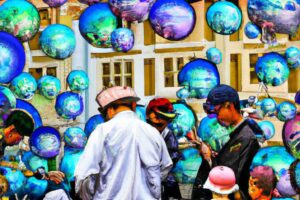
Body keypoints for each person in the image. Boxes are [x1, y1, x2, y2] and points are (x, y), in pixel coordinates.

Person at [75, 86, 172, 200]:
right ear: (134, 105)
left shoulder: (102, 131)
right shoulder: (152, 132)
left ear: (110, 109)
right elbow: (166, 166)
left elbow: (84, 175)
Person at [201, 84, 260, 199]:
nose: (217, 118)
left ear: (229, 106)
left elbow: (230, 178)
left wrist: (209, 159)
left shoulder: (246, 137)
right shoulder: (235, 133)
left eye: (217, 112)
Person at [146, 97, 182, 200]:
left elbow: (172, 159)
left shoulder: (168, 134)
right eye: (153, 124)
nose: (156, 128)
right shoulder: (142, 131)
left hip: (164, 179)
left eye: (160, 124)